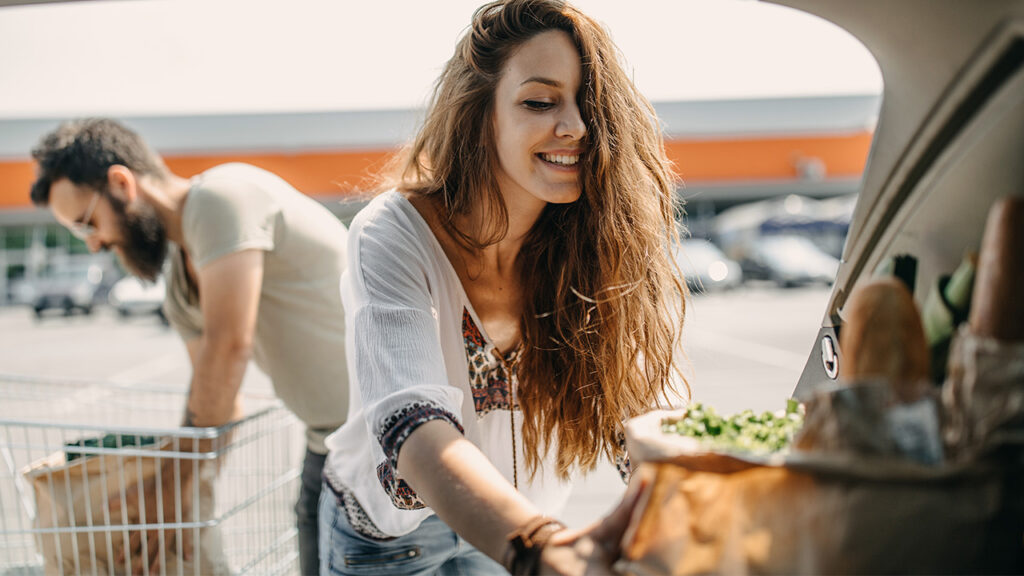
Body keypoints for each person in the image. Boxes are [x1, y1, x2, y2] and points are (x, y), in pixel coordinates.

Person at [318, 0, 688, 574]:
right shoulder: (392, 233)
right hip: (392, 542)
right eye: (540, 102)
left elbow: (642, 415)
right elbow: (412, 430)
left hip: (518, 526)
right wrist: (541, 547)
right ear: (480, 112)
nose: (577, 127)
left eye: (589, 105)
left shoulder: (595, 247)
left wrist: (703, 506)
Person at [29, 118, 349, 576]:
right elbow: (221, 402)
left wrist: (168, 492)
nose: (95, 244)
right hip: (328, 451)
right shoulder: (181, 289)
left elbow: (228, 351)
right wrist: (183, 512)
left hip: (392, 443)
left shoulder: (221, 200)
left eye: (87, 225)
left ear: (122, 183)